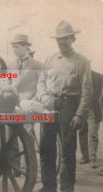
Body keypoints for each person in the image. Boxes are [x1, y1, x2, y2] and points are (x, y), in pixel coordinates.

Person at [36, 21, 93, 192]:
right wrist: (44, 95)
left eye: (65, 39)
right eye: (59, 39)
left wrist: (79, 115)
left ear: (72, 38)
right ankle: (48, 187)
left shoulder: (82, 61)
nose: (62, 42)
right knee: (46, 149)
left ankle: (67, 188)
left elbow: (87, 89)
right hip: (49, 105)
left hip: (69, 106)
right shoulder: (50, 59)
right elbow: (41, 82)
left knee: (68, 152)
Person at [78, 71, 103, 167]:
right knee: (82, 132)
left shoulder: (99, 77)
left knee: (92, 133)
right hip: (82, 108)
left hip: (94, 108)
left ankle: (93, 158)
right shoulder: (79, 76)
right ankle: (85, 156)